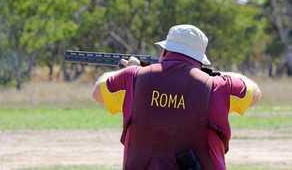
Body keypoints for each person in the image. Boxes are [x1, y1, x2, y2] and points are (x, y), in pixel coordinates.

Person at [92, 24, 262, 170]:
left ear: (165, 50)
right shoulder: (218, 86)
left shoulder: (133, 77)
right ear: (200, 59)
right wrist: (224, 75)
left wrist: (129, 69)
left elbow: (98, 92)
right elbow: (254, 94)